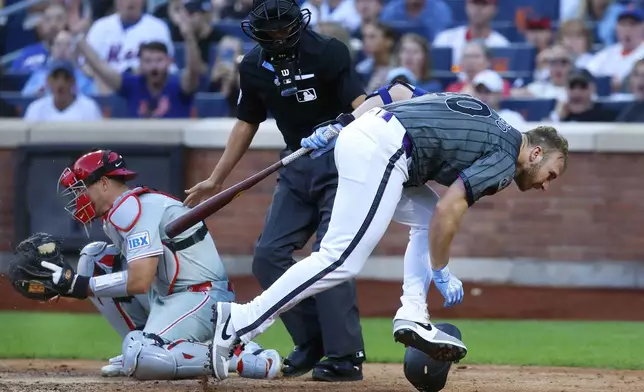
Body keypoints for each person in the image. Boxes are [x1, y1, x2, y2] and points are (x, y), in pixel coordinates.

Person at [208, 86, 569, 381]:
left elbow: (399, 89)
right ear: (536, 153)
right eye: (550, 175)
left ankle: (412, 313)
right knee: (339, 260)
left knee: (422, 218)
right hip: (385, 149)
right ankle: (240, 321)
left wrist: (344, 123)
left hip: (377, 139)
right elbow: (450, 208)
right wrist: (441, 270)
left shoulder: (485, 114)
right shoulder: (507, 158)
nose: (546, 187)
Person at [184, 0, 368, 382]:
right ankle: (312, 340)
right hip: (295, 163)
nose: (277, 36)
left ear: (295, 24)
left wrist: (342, 126)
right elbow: (246, 123)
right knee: (267, 256)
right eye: (269, 31)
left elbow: (364, 105)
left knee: (329, 255)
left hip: (344, 162)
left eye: (282, 28)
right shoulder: (252, 65)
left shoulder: (329, 52)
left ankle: (345, 356)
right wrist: (217, 179)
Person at [40, 149, 281, 380]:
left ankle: (237, 356)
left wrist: (78, 286)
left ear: (103, 183)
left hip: (203, 297)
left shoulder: (132, 209)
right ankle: (148, 343)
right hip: (169, 295)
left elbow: (139, 280)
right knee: (94, 259)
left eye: (82, 187)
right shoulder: (120, 211)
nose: (78, 197)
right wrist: (69, 284)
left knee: (142, 357)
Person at [76, 10, 201, 119]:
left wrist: (189, 37)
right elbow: (100, 67)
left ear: (169, 61)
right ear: (140, 64)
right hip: (139, 145)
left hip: (175, 145)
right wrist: (78, 37)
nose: (154, 67)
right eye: (148, 61)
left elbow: (194, 71)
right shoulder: (133, 85)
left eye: (159, 60)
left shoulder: (177, 85)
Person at [23, 60, 103, 122]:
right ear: (48, 81)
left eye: (66, 78)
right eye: (56, 78)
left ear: (73, 81)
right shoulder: (36, 108)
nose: (61, 84)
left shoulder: (89, 108)